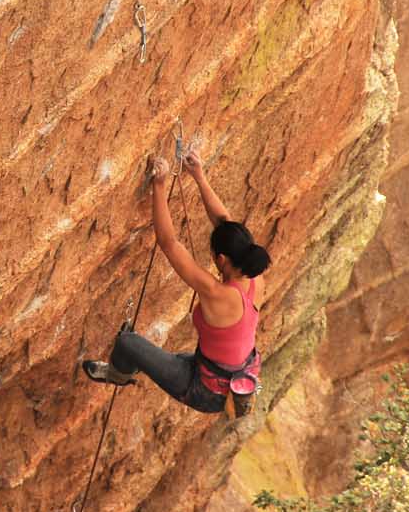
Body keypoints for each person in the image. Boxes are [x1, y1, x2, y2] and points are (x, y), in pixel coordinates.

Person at [82, 150, 270, 416]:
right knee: (178, 359)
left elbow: (169, 244)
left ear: (221, 259)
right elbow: (224, 224)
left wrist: (159, 187)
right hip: (219, 370)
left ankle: (118, 374)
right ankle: (148, 364)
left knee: (128, 344)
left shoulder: (219, 293)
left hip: (204, 391)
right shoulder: (254, 276)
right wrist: (199, 176)